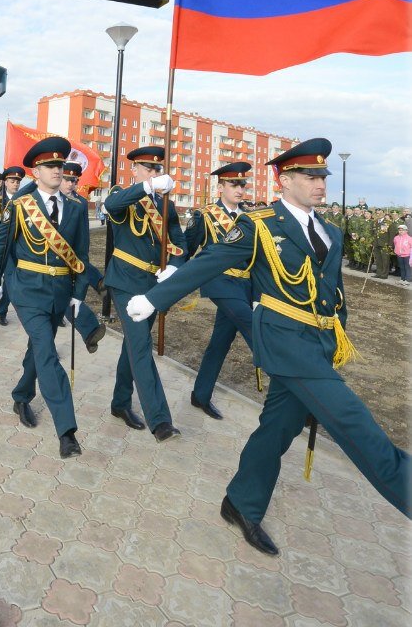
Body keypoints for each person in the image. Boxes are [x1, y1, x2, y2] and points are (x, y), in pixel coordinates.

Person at [127, 138, 411, 555]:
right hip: (284, 344)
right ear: (284, 179)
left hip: (317, 344)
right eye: (311, 177)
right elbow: (210, 260)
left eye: (323, 176)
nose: (320, 185)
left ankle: (240, 503)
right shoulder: (261, 224)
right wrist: (155, 298)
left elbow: (333, 294)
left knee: (277, 428)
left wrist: (336, 337)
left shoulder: (329, 229)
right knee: (354, 422)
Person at [0, 138, 89, 458]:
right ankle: (67, 431)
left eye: (61, 165)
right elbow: (2, 246)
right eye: (51, 167)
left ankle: (21, 394)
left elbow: (80, 255)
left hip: (59, 293)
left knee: (38, 348)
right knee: (47, 353)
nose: (59, 171)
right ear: (37, 171)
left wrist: (78, 295)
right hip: (27, 291)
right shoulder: (20, 205)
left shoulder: (75, 208)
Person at [102, 146, 187, 439]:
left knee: (132, 346)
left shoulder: (167, 206)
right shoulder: (125, 197)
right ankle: (160, 420)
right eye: (147, 169)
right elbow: (111, 206)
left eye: (157, 170)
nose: (153, 173)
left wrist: (175, 267)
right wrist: (147, 188)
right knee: (141, 346)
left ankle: (120, 402)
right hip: (125, 281)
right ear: (135, 171)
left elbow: (180, 244)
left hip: (153, 286)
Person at [186, 162, 255, 420]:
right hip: (220, 282)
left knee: (220, 342)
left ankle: (200, 395)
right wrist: (170, 284)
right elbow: (187, 250)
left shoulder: (249, 217)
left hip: (245, 285)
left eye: (242, 184)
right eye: (233, 184)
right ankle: (296, 389)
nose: (239, 189)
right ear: (220, 187)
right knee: (255, 329)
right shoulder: (204, 216)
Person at [59, 161, 106, 353]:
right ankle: (89, 329)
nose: (71, 184)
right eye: (67, 180)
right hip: (44, 262)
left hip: (70, 259)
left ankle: (89, 330)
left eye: (74, 181)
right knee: (60, 300)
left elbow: (83, 241)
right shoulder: (42, 200)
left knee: (67, 299)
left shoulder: (79, 203)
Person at [0, 165, 25, 324]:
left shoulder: (23, 200)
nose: (15, 184)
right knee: (9, 278)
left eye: (17, 181)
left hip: (18, 246)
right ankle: (3, 309)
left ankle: (2, 311)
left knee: (12, 279)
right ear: (5, 182)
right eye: (12, 181)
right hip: (2, 246)